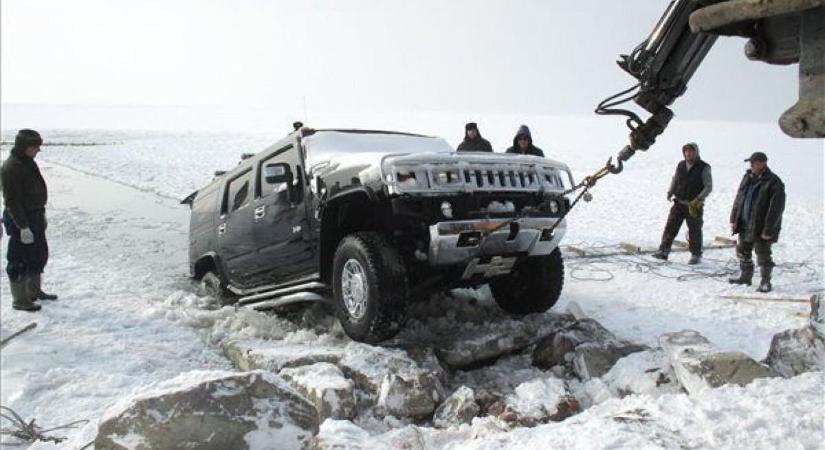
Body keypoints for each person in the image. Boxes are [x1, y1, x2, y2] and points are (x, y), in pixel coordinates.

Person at [2, 129, 58, 312]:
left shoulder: (27, 162)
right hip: (21, 219)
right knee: (19, 258)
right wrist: (23, 227)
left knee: (38, 254)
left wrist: (40, 216)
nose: (38, 150)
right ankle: (20, 299)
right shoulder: (11, 167)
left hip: (34, 216)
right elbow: (11, 201)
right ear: (24, 147)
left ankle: (33, 291)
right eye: (35, 146)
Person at [728, 151, 785, 292]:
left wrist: (768, 229)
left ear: (762, 163)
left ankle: (765, 282)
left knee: (763, 254)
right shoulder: (747, 177)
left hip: (762, 226)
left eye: (753, 163)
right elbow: (739, 198)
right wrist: (734, 218)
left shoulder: (774, 182)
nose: (751, 165)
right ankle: (745, 277)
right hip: (745, 223)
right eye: (751, 163)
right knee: (742, 251)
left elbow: (776, 209)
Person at [651, 142, 712, 264]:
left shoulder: (704, 167)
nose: (689, 153)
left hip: (694, 205)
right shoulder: (681, 165)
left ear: (696, 152)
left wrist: (698, 199)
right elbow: (675, 179)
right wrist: (670, 191)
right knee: (670, 228)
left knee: (694, 231)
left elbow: (708, 186)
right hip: (679, 203)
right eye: (686, 151)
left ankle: (695, 255)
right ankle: (663, 251)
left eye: (691, 151)